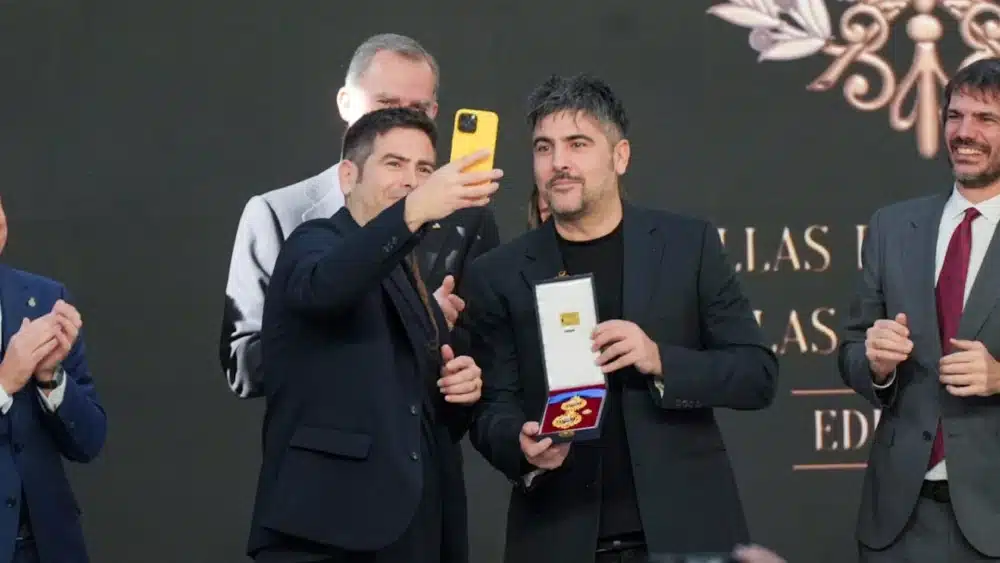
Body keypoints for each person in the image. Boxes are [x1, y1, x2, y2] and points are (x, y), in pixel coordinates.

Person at [461, 74, 778, 563]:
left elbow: (757, 375)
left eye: (578, 144)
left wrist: (660, 360)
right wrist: (519, 445)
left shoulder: (686, 246)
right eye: (544, 148)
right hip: (557, 535)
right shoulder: (497, 273)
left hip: (687, 535)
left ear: (620, 155)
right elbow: (490, 410)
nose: (558, 162)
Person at [246, 107, 502, 563]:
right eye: (394, 163)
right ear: (348, 176)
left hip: (413, 533)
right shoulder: (313, 241)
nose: (411, 180)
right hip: (322, 532)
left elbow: (417, 414)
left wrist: (458, 387)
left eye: (425, 169)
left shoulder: (413, 282)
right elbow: (327, 285)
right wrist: (412, 213)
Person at [220, 33, 500, 399]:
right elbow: (245, 368)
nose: (399, 121)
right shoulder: (278, 214)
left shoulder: (466, 221)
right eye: (384, 104)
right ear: (345, 102)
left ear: (433, 113)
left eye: (416, 108)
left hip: (426, 449)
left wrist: (459, 364)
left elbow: (486, 357)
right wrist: (404, 321)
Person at [839, 57, 1000, 562]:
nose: (964, 132)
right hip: (901, 521)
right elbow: (850, 350)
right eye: (955, 115)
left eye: (986, 119)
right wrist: (877, 365)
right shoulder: (892, 227)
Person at [0, 197, 107, 563]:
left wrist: (51, 379)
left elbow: (89, 442)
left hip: (46, 547)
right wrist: (3, 384)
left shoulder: (45, 299)